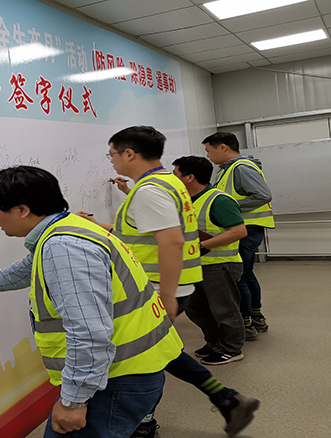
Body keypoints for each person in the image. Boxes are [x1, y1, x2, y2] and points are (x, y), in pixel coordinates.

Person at [0, 165, 184, 438]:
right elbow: (14, 275)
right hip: (129, 368)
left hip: (116, 379)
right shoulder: (67, 228)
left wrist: (73, 402)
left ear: (22, 210)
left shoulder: (65, 247)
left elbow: (89, 332)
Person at [79, 126, 259, 437]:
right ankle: (226, 399)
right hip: (160, 285)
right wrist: (96, 225)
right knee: (160, 348)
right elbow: (144, 234)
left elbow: (171, 241)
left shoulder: (149, 190)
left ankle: (146, 423)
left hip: (153, 288)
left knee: (143, 357)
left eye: (112, 154)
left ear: (129, 154)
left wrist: (167, 294)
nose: (112, 160)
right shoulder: (167, 183)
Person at [172, 156, 247, 365]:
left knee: (224, 309)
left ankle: (232, 349)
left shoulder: (219, 200)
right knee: (196, 309)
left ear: (189, 177)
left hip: (219, 265)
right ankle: (214, 342)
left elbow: (239, 231)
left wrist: (203, 246)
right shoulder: (185, 200)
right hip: (194, 266)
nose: (172, 178)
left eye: (175, 173)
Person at [203, 132, 274, 341]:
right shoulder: (226, 170)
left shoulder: (241, 168)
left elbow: (263, 195)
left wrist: (229, 207)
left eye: (209, 150)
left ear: (223, 147)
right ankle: (255, 318)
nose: (208, 156)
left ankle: (246, 323)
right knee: (246, 274)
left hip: (246, 229)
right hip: (244, 227)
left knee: (239, 276)